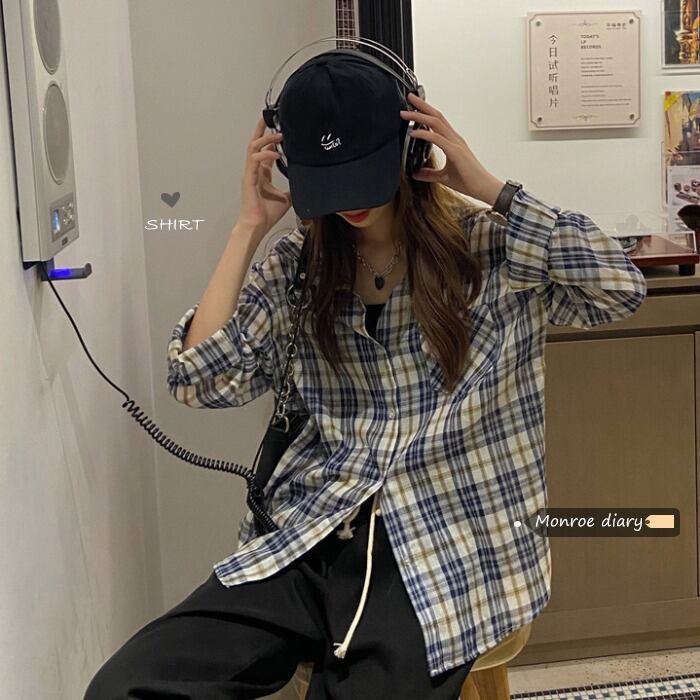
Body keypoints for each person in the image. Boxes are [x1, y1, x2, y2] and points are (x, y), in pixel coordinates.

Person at [84, 51, 647, 699]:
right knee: (126, 687)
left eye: (363, 176)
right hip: (313, 533)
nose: (348, 202)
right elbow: (200, 380)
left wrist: (490, 187)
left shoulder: (490, 248)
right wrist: (247, 228)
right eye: (329, 181)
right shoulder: (300, 263)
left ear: (412, 148)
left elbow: (618, 289)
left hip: (448, 547)